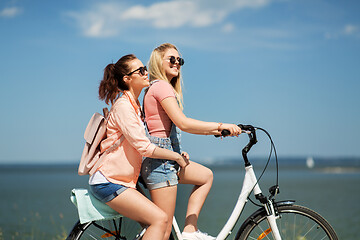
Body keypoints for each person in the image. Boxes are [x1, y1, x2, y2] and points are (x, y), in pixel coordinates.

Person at [141, 43, 242, 240]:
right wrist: (221, 125)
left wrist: (218, 130)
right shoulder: (161, 87)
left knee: (206, 176)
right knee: (162, 231)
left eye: (180, 60)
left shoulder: (159, 88)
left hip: (168, 160)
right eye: (172, 59)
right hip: (161, 165)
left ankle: (189, 231)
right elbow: (184, 123)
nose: (177, 63)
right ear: (157, 62)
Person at [91, 54, 189, 240]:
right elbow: (144, 147)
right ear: (127, 79)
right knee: (159, 220)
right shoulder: (123, 107)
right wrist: (174, 157)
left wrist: (176, 152)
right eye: (141, 71)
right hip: (109, 181)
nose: (146, 73)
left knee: (158, 225)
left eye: (145, 69)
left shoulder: (134, 105)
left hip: (124, 180)